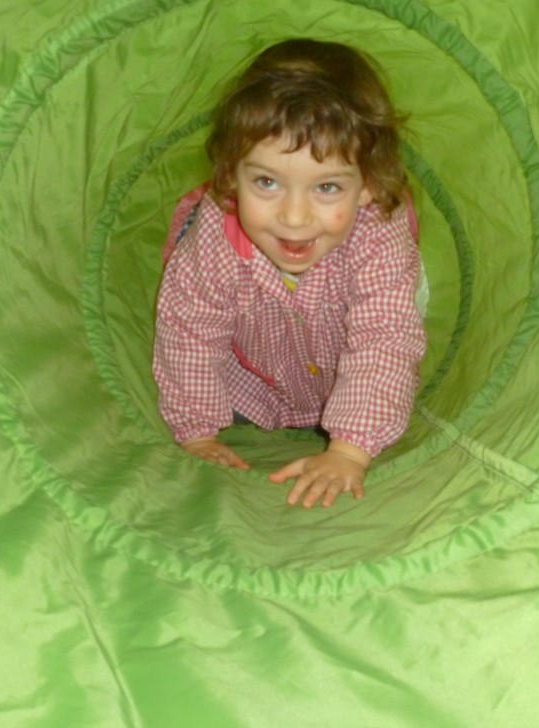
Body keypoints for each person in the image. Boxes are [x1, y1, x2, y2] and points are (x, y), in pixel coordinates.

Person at [153, 38, 427, 508]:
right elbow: (189, 327)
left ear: (367, 184)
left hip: (345, 374)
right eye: (266, 181)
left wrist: (349, 450)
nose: (294, 218)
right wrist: (197, 431)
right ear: (230, 174)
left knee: (392, 318)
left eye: (327, 187)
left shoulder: (379, 231)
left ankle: (356, 419)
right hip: (251, 380)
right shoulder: (218, 231)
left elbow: (385, 337)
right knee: (193, 301)